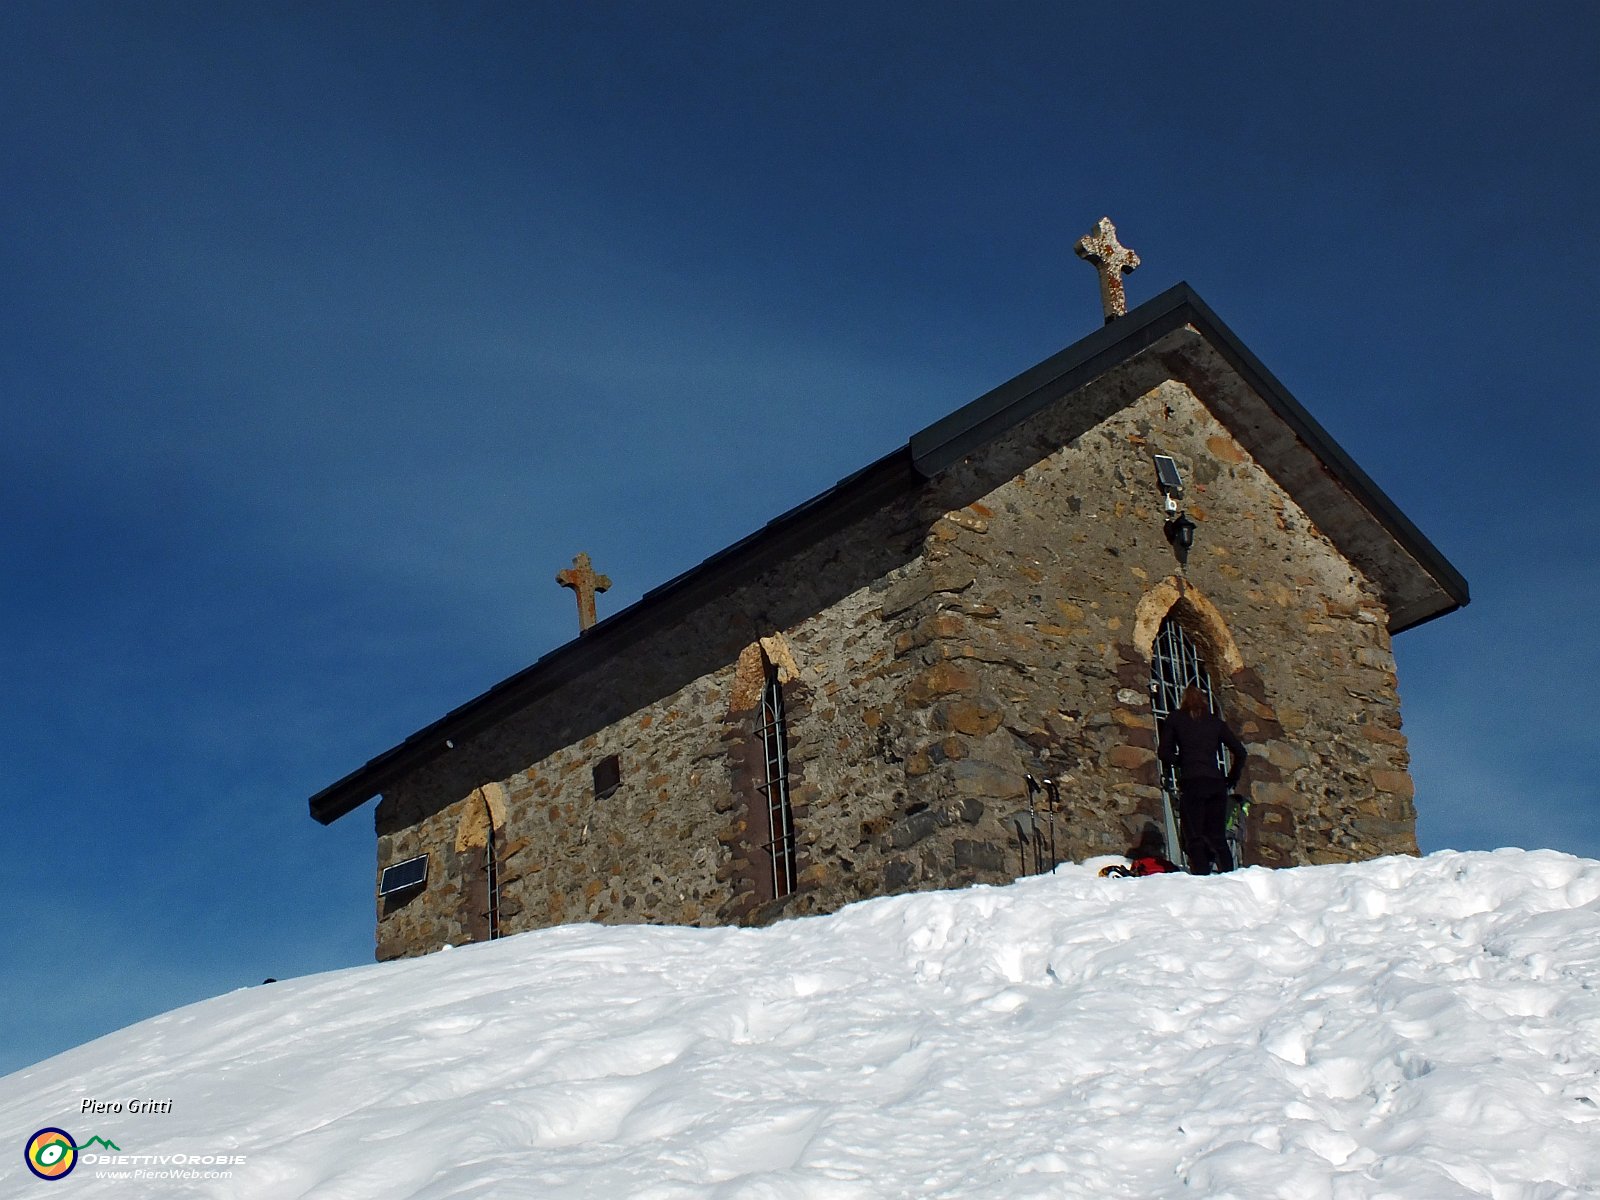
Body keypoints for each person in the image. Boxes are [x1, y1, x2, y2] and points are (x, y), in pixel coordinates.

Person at [1156, 686, 1247, 875]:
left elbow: (1164, 752)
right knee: (1217, 837)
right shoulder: (1215, 723)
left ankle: (1201, 877)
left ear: (1184, 700)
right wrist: (1232, 777)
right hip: (1216, 783)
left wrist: (1181, 761)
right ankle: (1230, 876)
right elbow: (1240, 751)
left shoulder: (1175, 719)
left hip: (1192, 782)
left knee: (1195, 836)